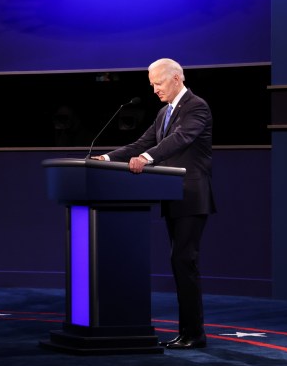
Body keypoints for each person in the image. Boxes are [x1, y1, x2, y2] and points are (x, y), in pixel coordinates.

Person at [90, 58, 215, 350]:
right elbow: (141, 143)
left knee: (185, 262)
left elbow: (181, 139)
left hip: (191, 196)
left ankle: (194, 333)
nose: (154, 89)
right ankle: (188, 332)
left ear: (176, 79)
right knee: (179, 262)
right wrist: (107, 158)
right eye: (152, 84)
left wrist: (147, 160)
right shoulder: (163, 113)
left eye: (158, 83)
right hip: (172, 196)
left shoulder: (197, 106)